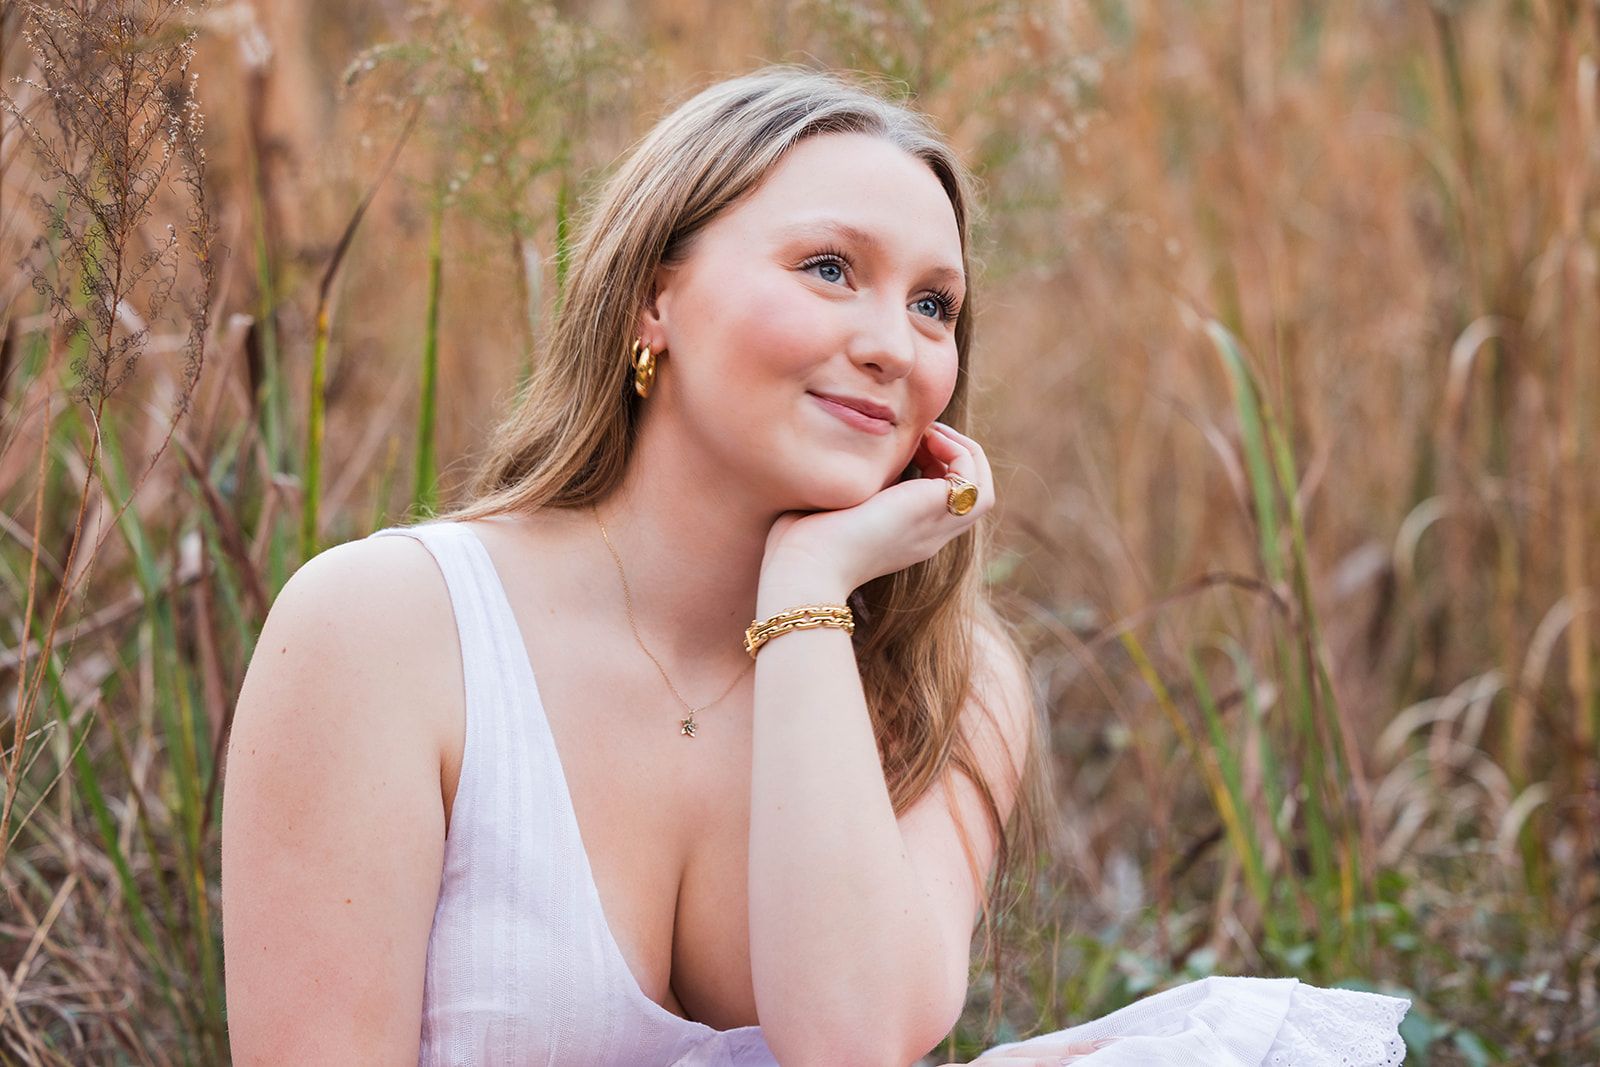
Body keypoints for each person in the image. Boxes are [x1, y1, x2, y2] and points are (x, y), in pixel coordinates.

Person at [220, 64, 1411, 1066]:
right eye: (830, 268)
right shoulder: (386, 627)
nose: (892, 344)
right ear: (653, 296)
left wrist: (805, 598)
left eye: (935, 305)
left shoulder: (954, 678)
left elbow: (850, 1036)